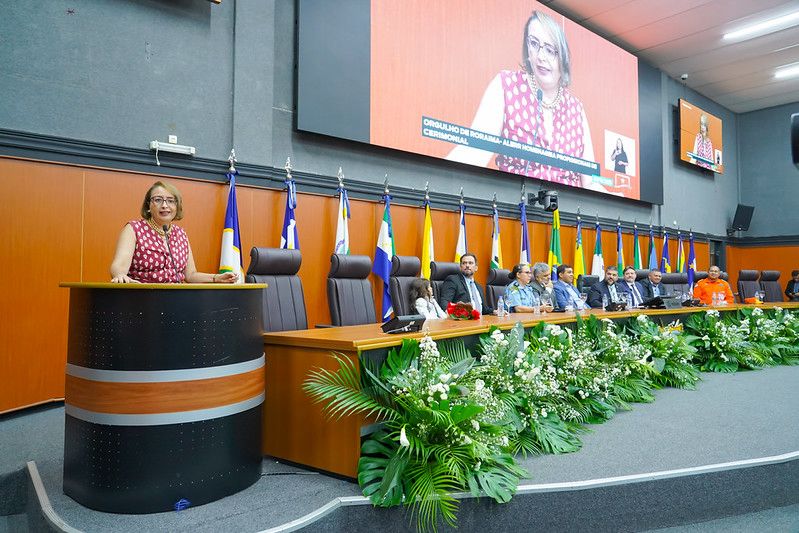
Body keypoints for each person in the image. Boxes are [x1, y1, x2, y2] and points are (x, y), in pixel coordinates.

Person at [446, 10, 605, 192]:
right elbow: (475, 151)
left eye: (550, 50)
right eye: (534, 43)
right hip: (515, 206)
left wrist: (615, 197)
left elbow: (590, 181)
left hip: (567, 209)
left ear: (563, 56)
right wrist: (433, 174)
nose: (541, 57)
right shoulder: (506, 85)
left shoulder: (576, 109)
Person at [110, 181, 239, 284]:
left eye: (170, 201)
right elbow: (119, 267)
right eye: (158, 200)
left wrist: (217, 278)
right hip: (143, 298)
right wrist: (120, 275)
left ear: (177, 207)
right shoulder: (134, 229)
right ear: (148, 206)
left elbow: (190, 275)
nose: (164, 205)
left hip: (176, 299)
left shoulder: (181, 234)